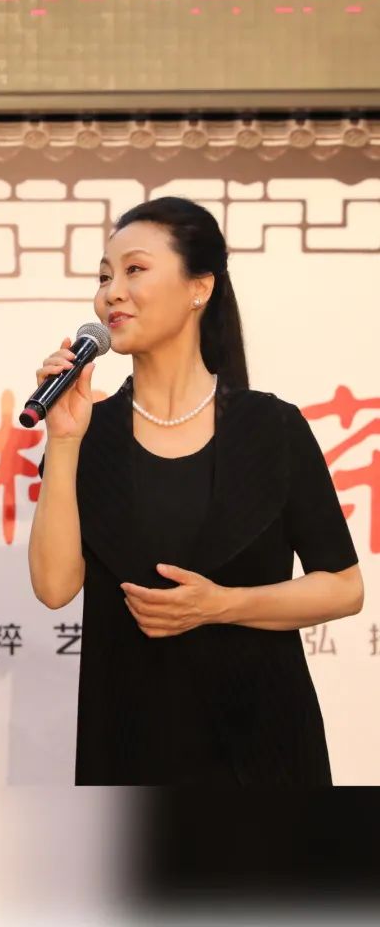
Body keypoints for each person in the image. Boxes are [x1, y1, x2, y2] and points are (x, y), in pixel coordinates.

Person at [28, 196, 363, 786]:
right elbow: (54, 588)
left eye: (134, 269)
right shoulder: (88, 434)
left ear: (199, 288)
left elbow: (343, 587)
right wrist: (63, 439)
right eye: (103, 277)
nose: (111, 293)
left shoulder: (272, 428)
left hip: (263, 751)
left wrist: (222, 604)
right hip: (127, 743)